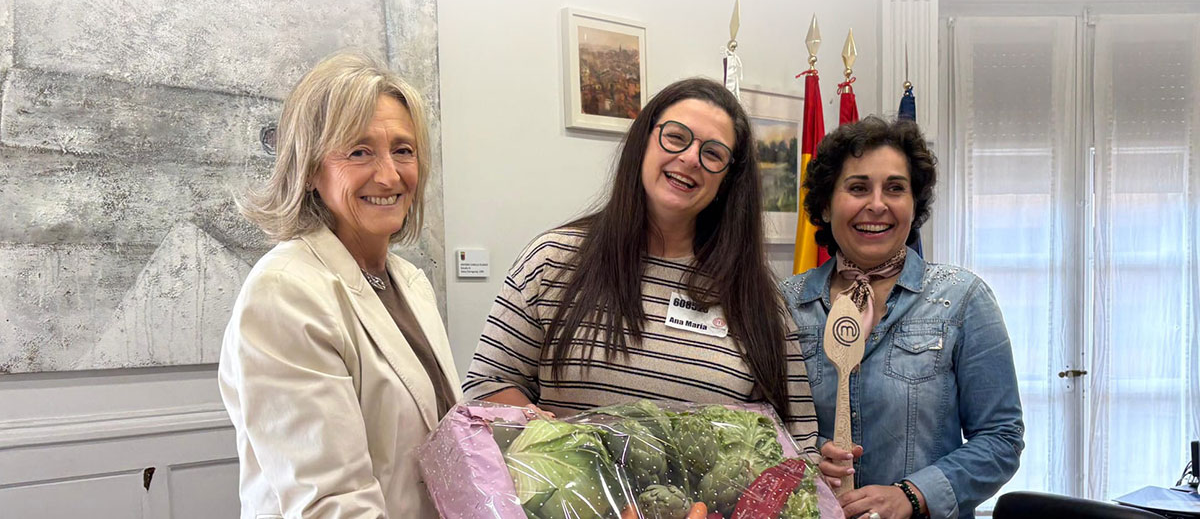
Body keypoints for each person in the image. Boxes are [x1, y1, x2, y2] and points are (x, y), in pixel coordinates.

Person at [463, 77, 819, 451]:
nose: (690, 158)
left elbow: (795, 439)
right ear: (644, 141)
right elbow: (487, 386)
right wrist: (560, 444)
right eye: (676, 137)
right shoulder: (552, 261)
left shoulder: (757, 299)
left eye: (713, 154)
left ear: (727, 180)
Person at [218, 51, 460, 518]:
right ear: (310, 169)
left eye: (403, 150)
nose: (389, 175)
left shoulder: (409, 282)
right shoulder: (284, 292)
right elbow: (330, 505)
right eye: (359, 152)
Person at [782, 116, 1023, 519]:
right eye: (858, 187)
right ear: (825, 204)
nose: (877, 204)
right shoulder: (784, 305)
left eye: (895, 188)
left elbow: (1001, 439)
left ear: (914, 204)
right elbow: (763, 429)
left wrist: (912, 495)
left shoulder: (963, 299)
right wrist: (807, 457)